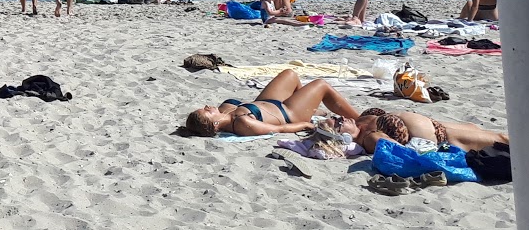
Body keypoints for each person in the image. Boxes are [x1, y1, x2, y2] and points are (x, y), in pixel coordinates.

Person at [183, 69, 362, 137]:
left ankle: (311, 106)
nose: (207, 106)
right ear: (214, 124)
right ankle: (359, 119)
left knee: (289, 74)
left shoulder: (224, 111)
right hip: (289, 114)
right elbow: (279, 129)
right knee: (321, 84)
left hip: (267, 102)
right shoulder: (242, 123)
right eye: (206, 111)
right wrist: (306, 124)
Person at [327, 108, 510, 154]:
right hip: (444, 138)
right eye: (337, 123)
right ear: (343, 137)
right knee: (502, 139)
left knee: (477, 129)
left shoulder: (360, 122)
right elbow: (405, 152)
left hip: (439, 125)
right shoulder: (370, 138)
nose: (341, 118)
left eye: (336, 117)